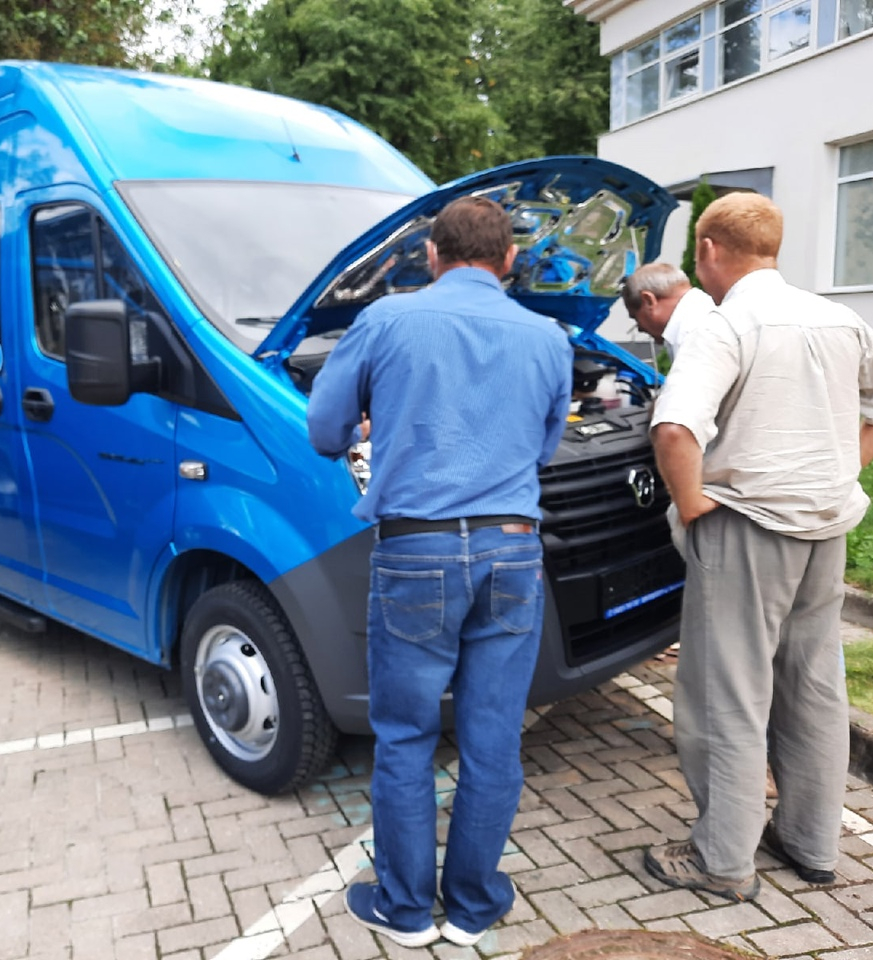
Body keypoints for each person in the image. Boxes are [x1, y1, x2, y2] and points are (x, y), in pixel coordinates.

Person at [645, 192, 873, 902]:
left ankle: (720, 861)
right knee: (813, 689)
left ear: (708, 250)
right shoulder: (835, 315)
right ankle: (811, 844)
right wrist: (848, 459)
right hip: (824, 530)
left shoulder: (727, 322)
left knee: (726, 696)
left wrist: (691, 506)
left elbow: (675, 430)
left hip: (746, 528)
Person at [307, 196, 572, 948]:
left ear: (432, 256)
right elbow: (543, 450)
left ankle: (405, 909)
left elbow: (325, 431)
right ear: (510, 260)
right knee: (493, 739)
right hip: (515, 550)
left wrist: (375, 424)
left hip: (416, 552)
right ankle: (474, 906)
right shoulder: (549, 338)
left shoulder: (386, 321)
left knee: (405, 736)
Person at [621, 261, 714, 363]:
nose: (640, 329)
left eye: (636, 318)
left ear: (648, 301)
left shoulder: (690, 335)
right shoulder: (706, 309)